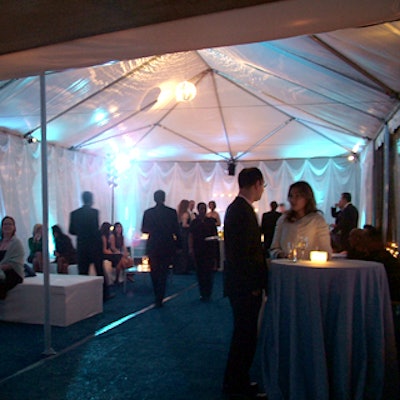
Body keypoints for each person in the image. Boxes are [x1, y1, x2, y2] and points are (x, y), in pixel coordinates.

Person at [223, 167, 268, 399]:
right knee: (245, 335)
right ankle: (236, 385)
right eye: (263, 185)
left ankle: (237, 381)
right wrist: (253, 284)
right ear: (257, 183)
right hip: (244, 285)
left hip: (239, 283)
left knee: (244, 334)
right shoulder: (242, 211)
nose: (262, 190)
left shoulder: (237, 209)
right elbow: (244, 254)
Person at [270, 181, 332, 260]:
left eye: (297, 196)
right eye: (291, 196)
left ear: (307, 198)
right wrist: (280, 255)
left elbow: (326, 252)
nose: (293, 200)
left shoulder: (317, 221)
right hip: (286, 268)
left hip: (308, 269)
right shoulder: (283, 220)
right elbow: (274, 248)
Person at [69, 191, 113, 300]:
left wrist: (81, 234)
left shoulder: (74, 214)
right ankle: (105, 295)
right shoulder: (94, 212)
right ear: (91, 200)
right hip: (94, 246)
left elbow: (71, 230)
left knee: (83, 272)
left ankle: (83, 296)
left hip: (81, 246)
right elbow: (95, 230)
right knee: (99, 271)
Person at [141, 190, 181, 308]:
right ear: (164, 198)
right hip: (167, 244)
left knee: (154, 271)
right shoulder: (171, 212)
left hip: (153, 244)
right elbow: (176, 230)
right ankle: (160, 296)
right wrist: (179, 245)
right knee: (164, 272)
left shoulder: (148, 213)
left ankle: (157, 294)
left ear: (154, 199)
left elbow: (144, 229)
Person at [189, 202, 218, 302]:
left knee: (209, 273)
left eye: (204, 208)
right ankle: (202, 293)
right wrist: (191, 249)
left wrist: (215, 252)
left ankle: (208, 293)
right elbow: (191, 236)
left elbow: (215, 237)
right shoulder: (194, 222)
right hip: (198, 249)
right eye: (201, 208)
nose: (203, 210)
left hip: (209, 249)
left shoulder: (211, 222)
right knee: (200, 273)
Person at [0, 216, 25, 300]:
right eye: (5, 224)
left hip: (13, 273)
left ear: (14, 227)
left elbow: (16, 262)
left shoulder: (17, 243)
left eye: (9, 224)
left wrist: (1, 267)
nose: (7, 226)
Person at [175, 199, 191, 274]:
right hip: (185, 234)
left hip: (180, 233)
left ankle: (180, 268)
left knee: (181, 251)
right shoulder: (186, 214)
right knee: (185, 251)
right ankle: (184, 268)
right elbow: (184, 225)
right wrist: (192, 226)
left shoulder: (179, 213)